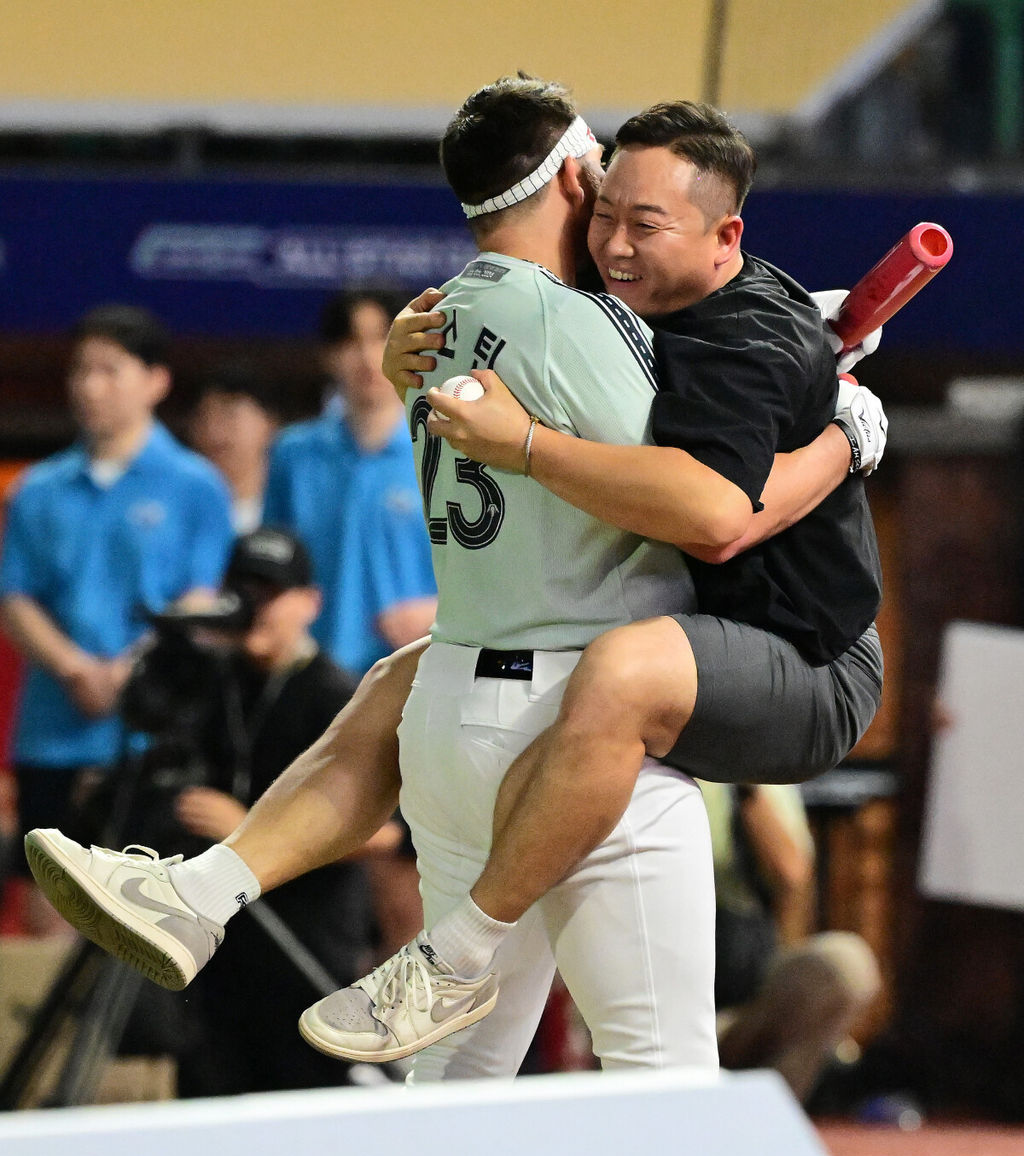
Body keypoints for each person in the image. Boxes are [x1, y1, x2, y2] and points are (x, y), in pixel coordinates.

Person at [24, 82, 884, 1075]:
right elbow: (708, 501)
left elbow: (701, 349)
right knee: (662, 1079)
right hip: (578, 723)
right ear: (572, 176)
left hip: (452, 717)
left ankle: (204, 890)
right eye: (606, 202)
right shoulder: (583, 326)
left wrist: (794, 346)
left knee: (453, 1094)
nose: (614, 238)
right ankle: (421, 943)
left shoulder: (440, 313)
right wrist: (833, 427)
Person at [1, 304, 233, 926]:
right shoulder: (37, 488)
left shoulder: (195, 484)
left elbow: (199, 601)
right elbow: (15, 596)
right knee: (49, 901)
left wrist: (125, 673)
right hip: (53, 728)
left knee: (141, 914)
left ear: (156, 381)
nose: (88, 385)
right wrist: (76, 668)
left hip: (149, 736)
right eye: (80, 370)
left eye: (109, 369)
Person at [162, 528, 395, 1094]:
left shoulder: (337, 695)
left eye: (271, 592)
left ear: (310, 603)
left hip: (304, 949)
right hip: (214, 952)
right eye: (241, 590)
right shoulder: (215, 686)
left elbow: (386, 835)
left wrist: (244, 833)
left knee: (300, 1103)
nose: (254, 607)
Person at [262, 290, 437, 678]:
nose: (367, 357)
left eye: (382, 337)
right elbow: (271, 570)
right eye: (351, 342)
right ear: (327, 355)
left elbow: (491, 574)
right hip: (309, 675)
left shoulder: (446, 447)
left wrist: (438, 611)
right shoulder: (293, 454)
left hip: (416, 672)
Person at [701, 781, 881, 1103]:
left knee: (846, 963)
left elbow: (791, 873)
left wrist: (745, 781)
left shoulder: (753, 769)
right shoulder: (636, 760)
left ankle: (765, 1121)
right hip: (658, 1017)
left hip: (738, 1010)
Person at [189, 363, 278, 535]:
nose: (213, 430)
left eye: (229, 414)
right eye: (203, 417)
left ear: (269, 423)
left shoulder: (287, 509)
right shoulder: (182, 508)